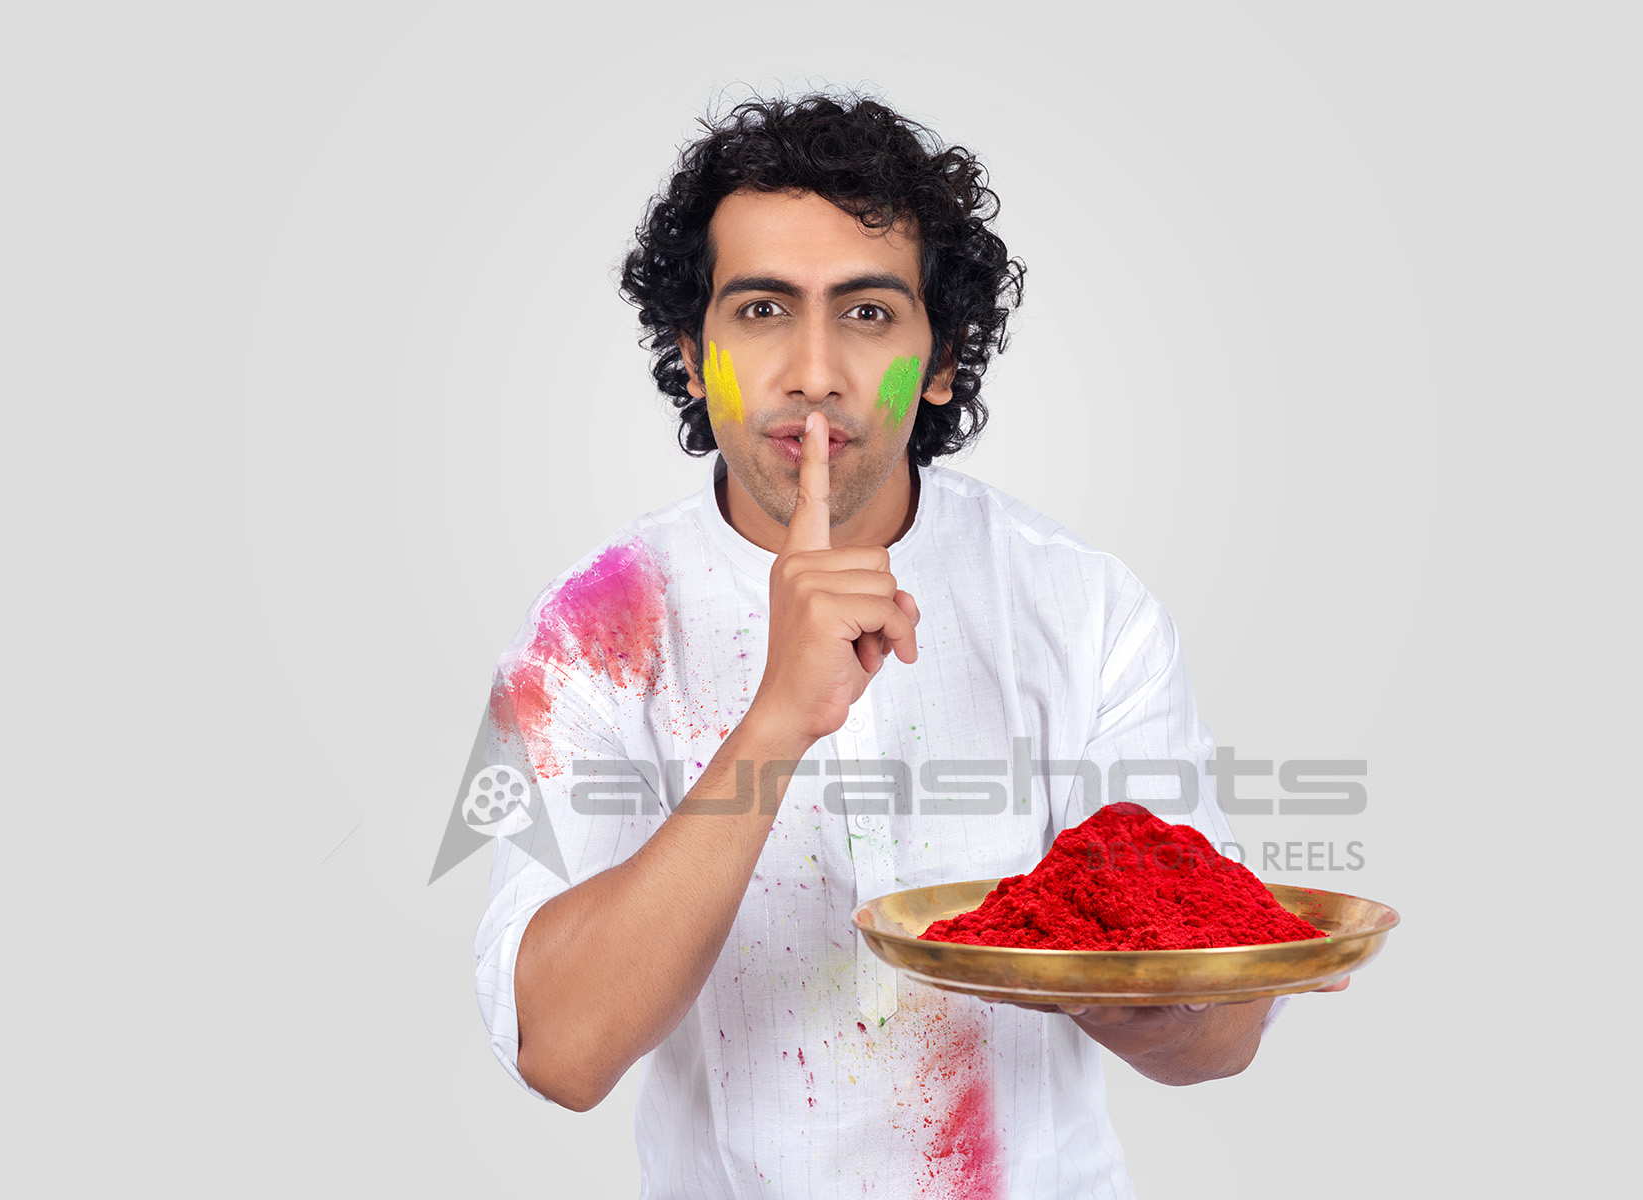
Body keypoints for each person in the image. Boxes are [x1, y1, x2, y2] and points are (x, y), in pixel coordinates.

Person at [470, 92, 1340, 1197]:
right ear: (692, 358)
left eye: (869, 314)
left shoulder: (1085, 606)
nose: (816, 372)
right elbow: (560, 1049)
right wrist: (778, 717)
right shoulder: (584, 633)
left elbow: (1222, 1040)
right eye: (762, 311)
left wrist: (1087, 965)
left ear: (940, 361)